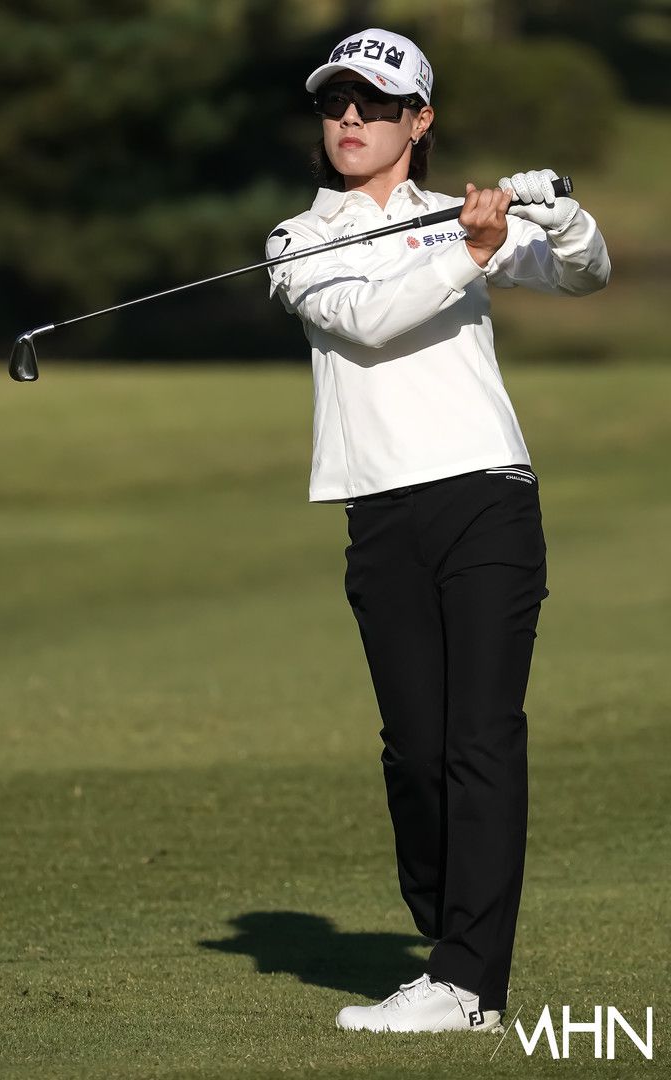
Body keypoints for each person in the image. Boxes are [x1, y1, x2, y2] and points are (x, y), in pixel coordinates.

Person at [266, 28, 610, 1035]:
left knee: (481, 738)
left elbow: (584, 273)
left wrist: (561, 215)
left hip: (487, 496)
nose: (351, 120)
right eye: (336, 104)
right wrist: (470, 250)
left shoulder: (465, 219)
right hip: (382, 511)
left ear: (418, 121)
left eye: (375, 105)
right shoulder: (297, 239)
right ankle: (448, 939)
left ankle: (467, 984)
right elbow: (368, 321)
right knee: (416, 755)